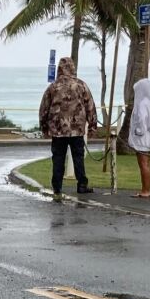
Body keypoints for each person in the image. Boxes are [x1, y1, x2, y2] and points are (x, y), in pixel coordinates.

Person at [38, 56, 99, 201]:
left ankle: (57, 188)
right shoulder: (81, 85)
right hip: (76, 129)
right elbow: (90, 106)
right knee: (78, 157)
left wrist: (44, 126)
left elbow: (44, 108)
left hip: (58, 130)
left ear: (59, 69)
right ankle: (82, 185)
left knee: (58, 158)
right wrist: (92, 126)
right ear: (72, 68)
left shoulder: (53, 87)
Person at [125, 76, 150, 199]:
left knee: (143, 164)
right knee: (147, 164)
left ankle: (145, 190)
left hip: (143, 139)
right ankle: (146, 189)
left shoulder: (142, 104)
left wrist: (139, 131)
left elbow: (141, 120)